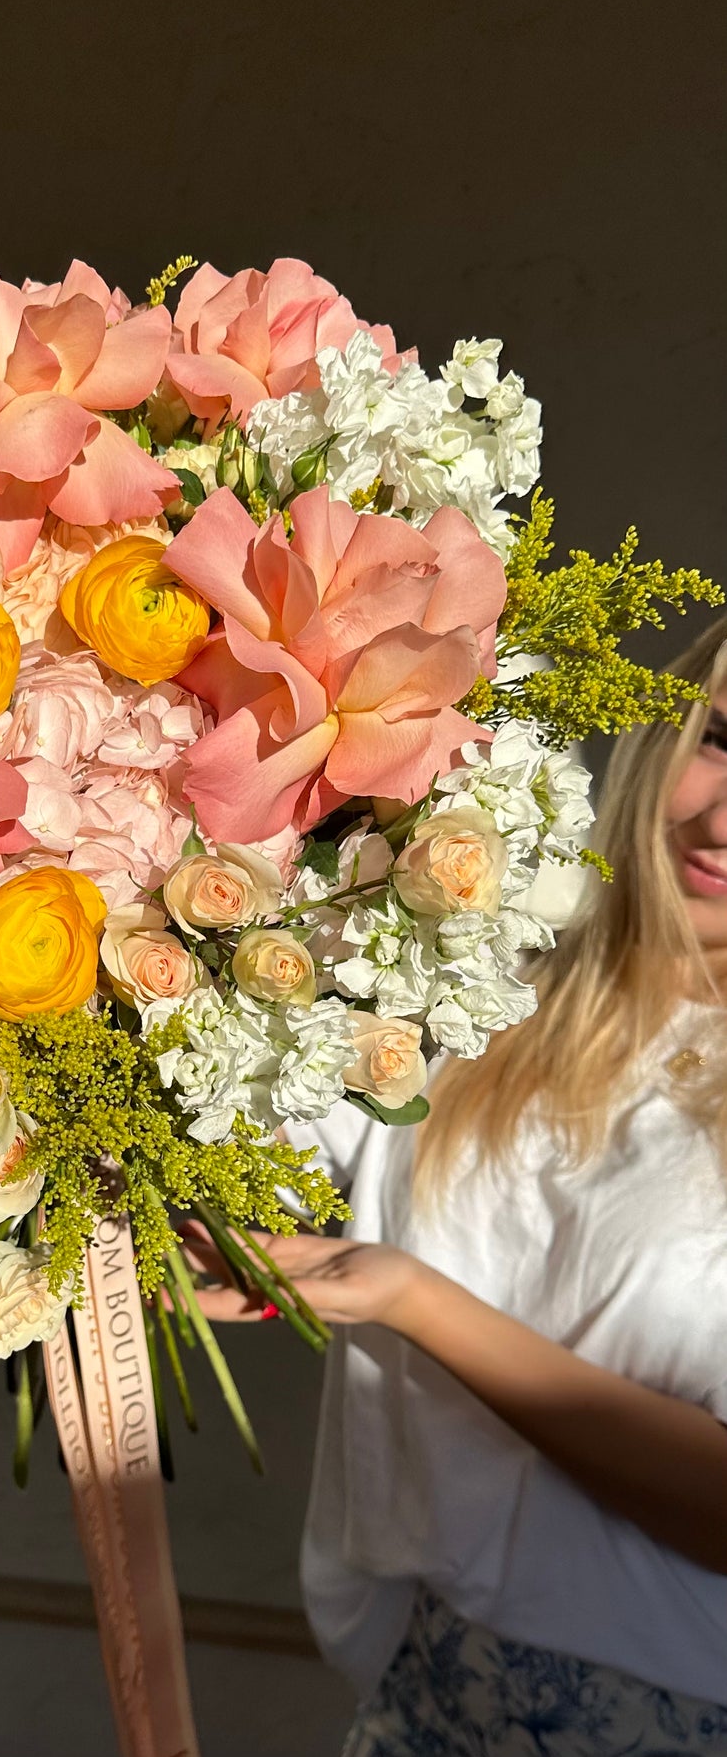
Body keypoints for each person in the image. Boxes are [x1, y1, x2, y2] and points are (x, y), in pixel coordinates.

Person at [192, 615, 727, 1755]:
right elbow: (245, 1157)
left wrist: (409, 1300)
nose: (720, 821)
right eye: (722, 740)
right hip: (420, 1698)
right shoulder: (472, 987)